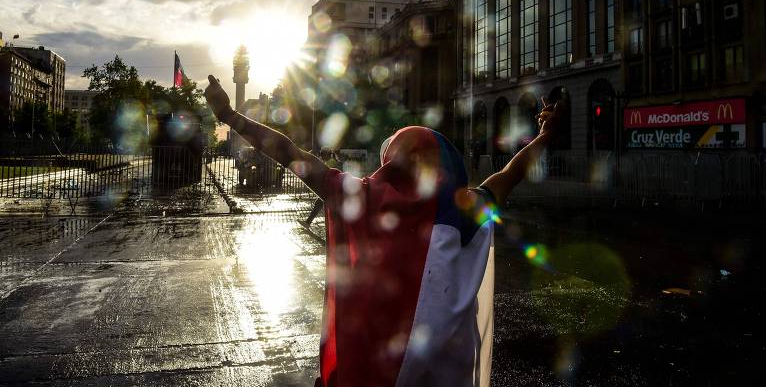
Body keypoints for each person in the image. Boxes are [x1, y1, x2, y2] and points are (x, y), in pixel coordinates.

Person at [204, 75, 563, 387]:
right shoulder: (465, 208)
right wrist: (544, 136)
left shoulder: (364, 196)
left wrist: (230, 117)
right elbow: (510, 174)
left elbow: (290, 153)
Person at [304, 147, 340, 227]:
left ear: (326, 154)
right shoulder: (330, 161)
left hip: (332, 189)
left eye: (322, 154)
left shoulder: (331, 162)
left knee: (322, 205)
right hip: (330, 188)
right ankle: (307, 222)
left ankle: (308, 223)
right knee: (319, 204)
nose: (322, 156)